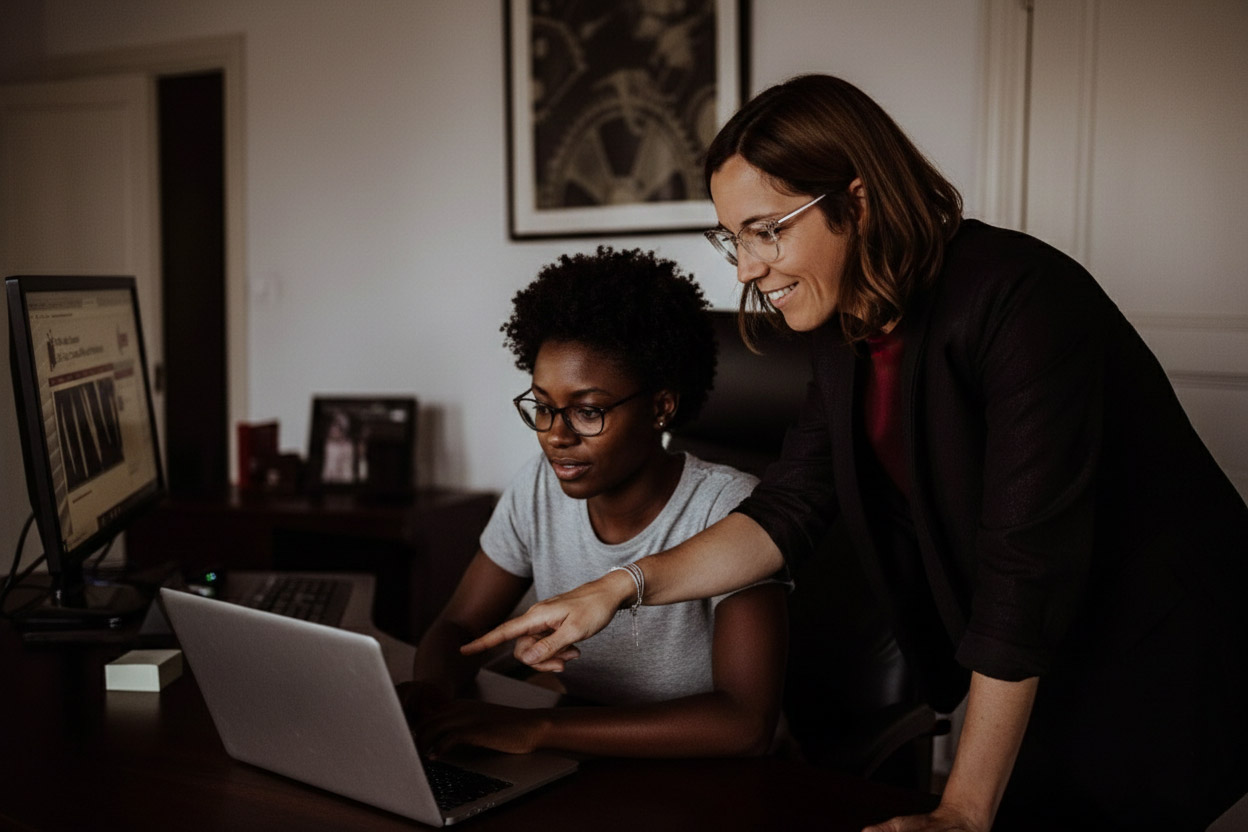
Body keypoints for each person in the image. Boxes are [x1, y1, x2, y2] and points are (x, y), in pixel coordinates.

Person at [463, 75, 1248, 831]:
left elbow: (1024, 570)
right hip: (1048, 669)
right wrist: (619, 588)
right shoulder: (853, 333)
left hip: (1165, 662)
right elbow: (788, 508)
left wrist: (963, 810)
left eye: (766, 230)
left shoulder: (1022, 301)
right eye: (732, 238)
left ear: (858, 202)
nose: (746, 269)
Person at [407, 246, 789, 760]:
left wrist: (538, 729)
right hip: (592, 759)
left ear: (660, 408)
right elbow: (459, 625)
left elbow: (743, 723)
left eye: (587, 412)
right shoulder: (539, 489)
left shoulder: (727, 509)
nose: (555, 436)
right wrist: (430, 698)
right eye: (543, 407)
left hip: (711, 781)